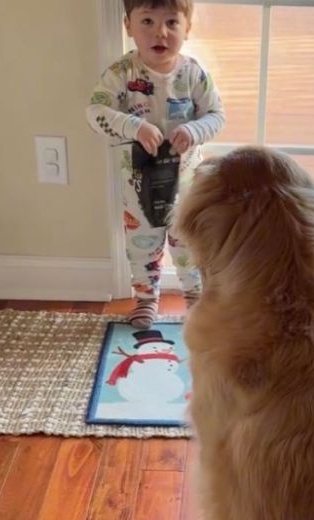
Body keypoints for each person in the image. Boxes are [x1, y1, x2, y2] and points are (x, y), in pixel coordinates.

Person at [86, 0, 225, 328]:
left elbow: (217, 115)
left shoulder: (193, 73)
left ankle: (195, 298)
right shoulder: (121, 74)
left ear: (186, 29)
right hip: (139, 191)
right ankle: (147, 299)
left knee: (189, 246)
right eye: (147, 21)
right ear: (128, 27)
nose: (159, 32)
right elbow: (95, 112)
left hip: (187, 189)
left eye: (171, 23)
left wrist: (193, 130)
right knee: (142, 248)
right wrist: (133, 126)